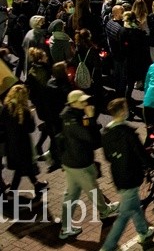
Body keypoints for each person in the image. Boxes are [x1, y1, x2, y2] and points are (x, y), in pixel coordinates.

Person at [58, 90, 118, 240]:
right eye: (82, 101)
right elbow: (91, 139)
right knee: (91, 189)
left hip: (72, 161)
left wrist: (89, 118)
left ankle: (66, 227)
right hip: (79, 163)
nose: (86, 103)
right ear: (73, 103)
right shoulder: (72, 120)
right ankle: (104, 212)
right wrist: (91, 118)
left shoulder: (72, 115)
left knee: (71, 194)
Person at [100, 98, 154, 251]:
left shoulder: (106, 132)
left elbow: (107, 157)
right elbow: (142, 155)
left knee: (135, 206)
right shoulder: (128, 133)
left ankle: (143, 232)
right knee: (124, 216)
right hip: (131, 176)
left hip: (118, 175)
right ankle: (108, 246)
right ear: (122, 112)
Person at [1, 84, 47, 197]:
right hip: (23, 144)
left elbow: (1, 125)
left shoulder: (6, 108)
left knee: (24, 166)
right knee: (21, 167)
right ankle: (13, 191)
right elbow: (31, 129)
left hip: (11, 144)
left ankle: (36, 184)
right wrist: (31, 115)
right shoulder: (24, 111)